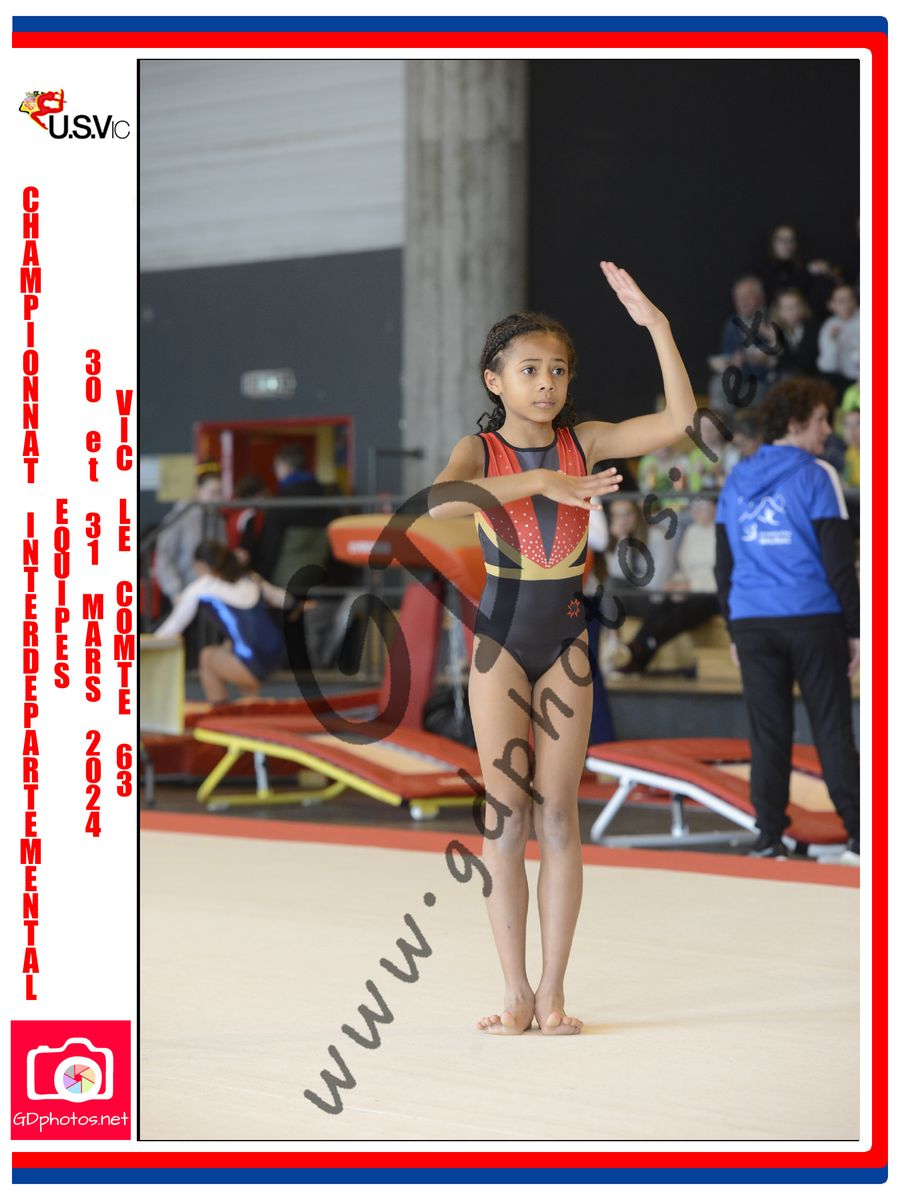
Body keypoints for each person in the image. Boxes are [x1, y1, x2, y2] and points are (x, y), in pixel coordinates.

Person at [428, 261, 695, 1035]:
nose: (546, 382)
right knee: (506, 815)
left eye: (557, 370)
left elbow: (681, 421)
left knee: (559, 816)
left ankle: (552, 993)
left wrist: (658, 326)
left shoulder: (587, 440)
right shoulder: (480, 451)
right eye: (529, 370)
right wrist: (539, 486)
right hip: (501, 645)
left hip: (566, 644)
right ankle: (513, 990)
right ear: (496, 380)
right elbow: (439, 504)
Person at [714, 379, 860, 861]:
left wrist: (733, 629)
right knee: (832, 730)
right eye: (820, 420)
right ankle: (863, 837)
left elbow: (723, 566)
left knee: (768, 734)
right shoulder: (818, 474)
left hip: (754, 622)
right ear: (795, 423)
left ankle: (770, 838)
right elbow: (839, 563)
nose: (828, 430)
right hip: (813, 617)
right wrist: (857, 629)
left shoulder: (736, 478)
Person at [152, 540, 294, 704]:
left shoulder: (201, 587)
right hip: (278, 655)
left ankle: (219, 709)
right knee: (228, 645)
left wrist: (146, 646)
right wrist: (301, 605)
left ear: (200, 566)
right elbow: (283, 599)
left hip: (253, 662)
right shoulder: (251, 578)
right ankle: (252, 699)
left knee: (207, 656)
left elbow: (172, 629)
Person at [611, 497, 720, 675]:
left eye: (703, 505)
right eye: (695, 505)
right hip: (687, 589)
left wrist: (690, 585)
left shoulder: (724, 533)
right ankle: (637, 648)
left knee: (681, 611)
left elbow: (724, 573)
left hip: (711, 593)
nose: (697, 510)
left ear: (716, 507)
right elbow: (683, 566)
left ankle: (639, 650)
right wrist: (676, 583)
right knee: (662, 606)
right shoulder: (692, 532)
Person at [152, 464, 226, 605]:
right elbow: (164, 558)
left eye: (220, 492)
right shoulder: (179, 517)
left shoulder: (218, 520)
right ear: (198, 491)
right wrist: (175, 592)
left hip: (213, 593)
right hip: (183, 594)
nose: (218, 498)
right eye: (213, 493)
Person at [707, 276, 771, 411]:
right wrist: (731, 359)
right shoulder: (732, 324)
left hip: (762, 379)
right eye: (738, 297)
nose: (742, 301)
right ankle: (721, 423)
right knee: (719, 384)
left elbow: (776, 355)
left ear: (760, 297)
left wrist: (751, 358)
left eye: (747, 296)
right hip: (738, 377)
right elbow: (727, 354)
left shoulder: (771, 320)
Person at [816, 283, 860, 396]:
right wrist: (832, 341)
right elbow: (827, 366)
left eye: (850, 299)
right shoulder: (828, 326)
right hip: (842, 379)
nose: (846, 305)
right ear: (831, 305)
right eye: (841, 301)